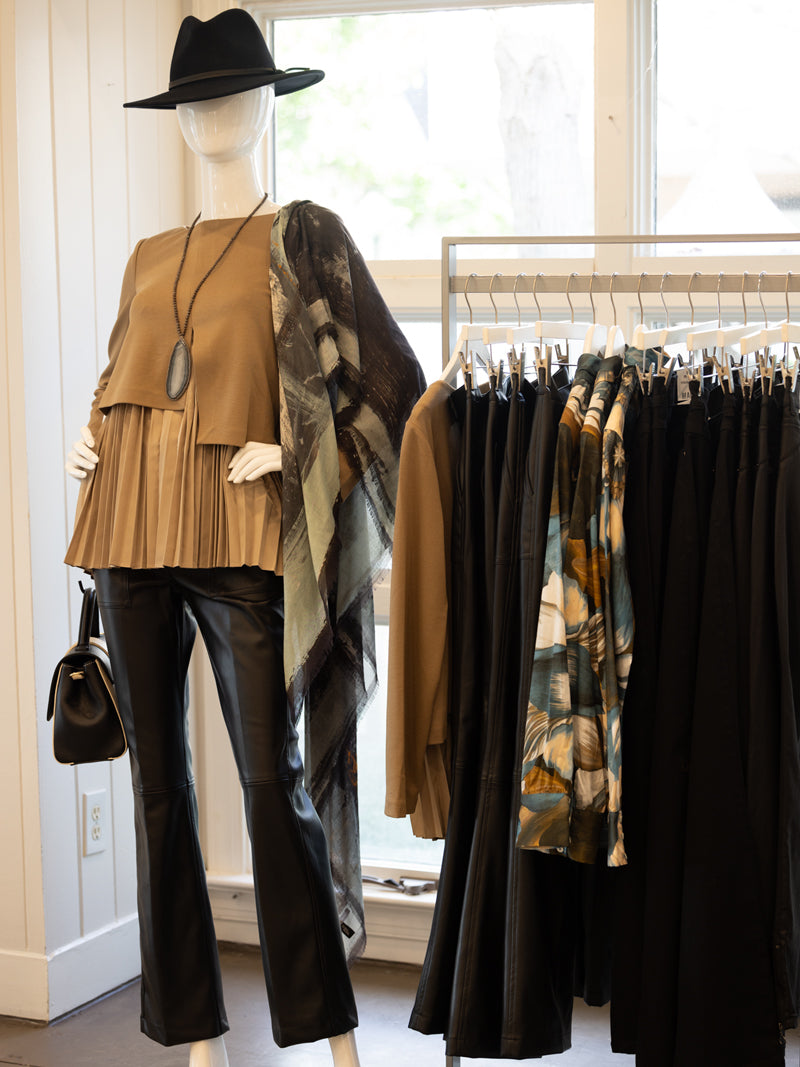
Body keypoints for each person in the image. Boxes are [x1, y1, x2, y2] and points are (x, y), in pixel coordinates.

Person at [64, 10, 425, 1067]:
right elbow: (119, 374)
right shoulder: (145, 255)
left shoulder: (299, 234)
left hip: (236, 526)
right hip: (129, 522)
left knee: (276, 779)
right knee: (158, 786)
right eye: (195, 104)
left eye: (231, 95)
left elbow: (390, 384)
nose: (214, 116)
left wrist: (295, 449)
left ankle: (329, 1026)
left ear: (269, 106)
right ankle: (191, 1033)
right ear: (178, 125)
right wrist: (88, 442)